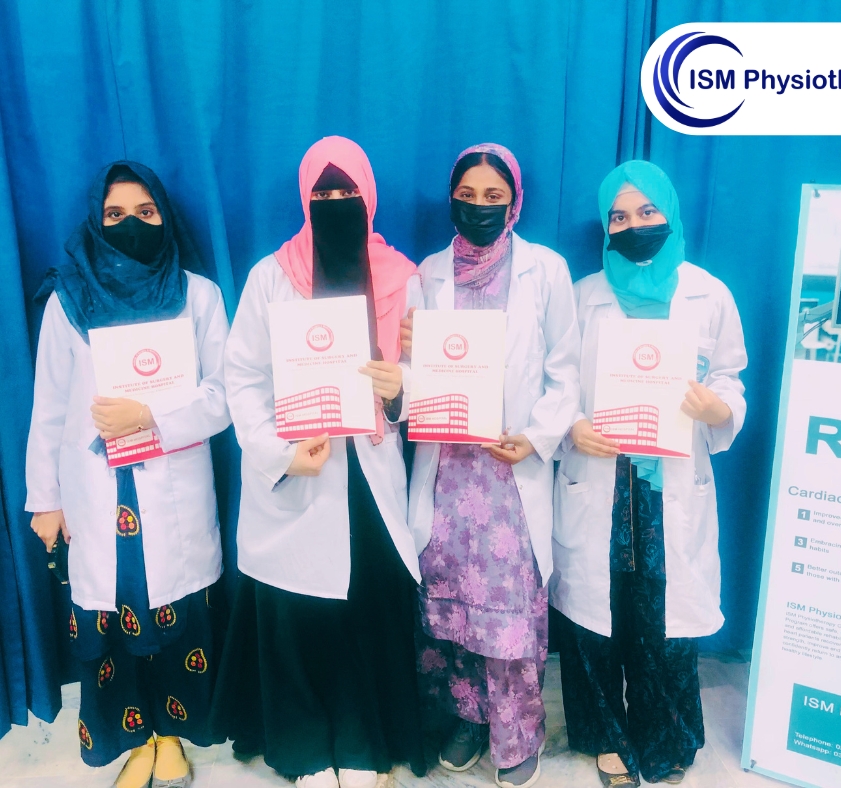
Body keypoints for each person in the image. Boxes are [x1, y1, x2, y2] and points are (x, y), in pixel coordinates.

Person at [210, 136, 425, 788]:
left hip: (371, 470)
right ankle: (304, 747)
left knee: (363, 608)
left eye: (347, 191)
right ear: (305, 199)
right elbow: (242, 377)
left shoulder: (403, 278)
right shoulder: (271, 276)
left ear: (369, 196)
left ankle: (361, 745)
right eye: (323, 192)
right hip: (300, 467)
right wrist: (279, 453)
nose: (336, 202)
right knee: (299, 613)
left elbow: (423, 376)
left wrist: (400, 389)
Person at [25, 161, 231, 788]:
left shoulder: (197, 296)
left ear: (165, 217)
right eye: (114, 214)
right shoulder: (68, 301)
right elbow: (49, 408)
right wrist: (45, 500)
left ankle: (172, 737)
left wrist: (152, 417)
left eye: (145, 212)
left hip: (170, 484)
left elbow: (224, 397)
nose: (131, 225)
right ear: (96, 220)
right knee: (111, 621)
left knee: (174, 613)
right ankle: (134, 740)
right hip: (97, 491)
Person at [549, 160, 747, 787]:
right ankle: (605, 736)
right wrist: (571, 426)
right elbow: (556, 382)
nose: (633, 224)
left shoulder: (709, 294)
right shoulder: (582, 296)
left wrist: (717, 408)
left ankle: (666, 735)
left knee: (665, 618)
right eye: (619, 216)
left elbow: (730, 376)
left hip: (669, 486)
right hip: (600, 478)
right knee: (597, 615)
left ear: (670, 213)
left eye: (647, 211)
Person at [401, 143, 581, 788]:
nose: (479, 207)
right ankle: (466, 720)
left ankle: (517, 732)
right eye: (467, 196)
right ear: (452, 199)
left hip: (510, 469)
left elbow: (566, 372)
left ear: (514, 202)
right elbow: (412, 374)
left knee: (508, 611)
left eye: (493, 197)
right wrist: (408, 351)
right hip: (447, 471)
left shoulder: (546, 271)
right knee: (450, 606)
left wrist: (535, 437)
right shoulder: (427, 273)